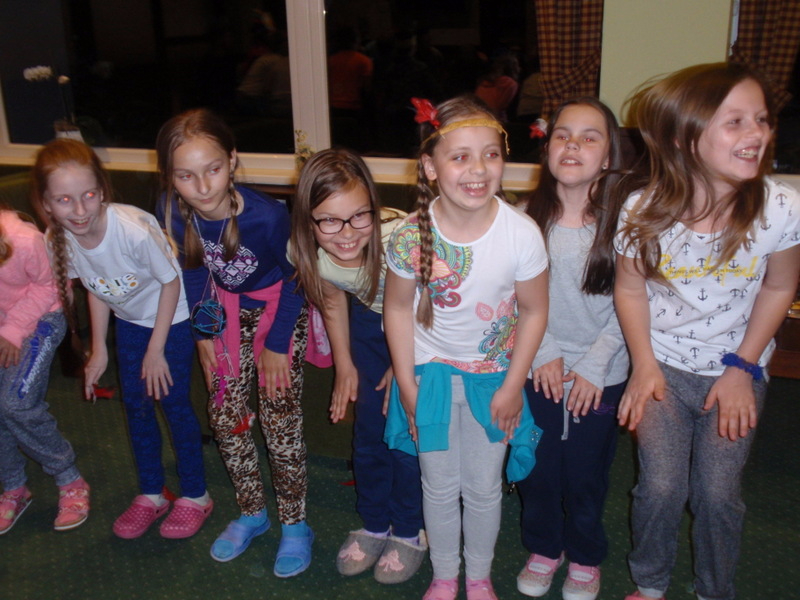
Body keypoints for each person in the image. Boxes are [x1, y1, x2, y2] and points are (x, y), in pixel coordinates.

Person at [614, 63, 800, 600]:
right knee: (661, 487)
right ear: (683, 137)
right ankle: (650, 583)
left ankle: (714, 590)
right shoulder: (643, 210)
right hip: (664, 369)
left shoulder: (780, 207)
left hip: (737, 368)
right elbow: (630, 290)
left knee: (718, 495)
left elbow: (779, 287)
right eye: (734, 121)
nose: (756, 133)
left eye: (761, 119)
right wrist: (643, 365)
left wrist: (743, 368)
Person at [383, 96, 549, 600]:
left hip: (493, 382)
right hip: (429, 379)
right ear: (431, 167)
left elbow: (534, 312)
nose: (478, 169)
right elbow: (397, 310)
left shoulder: (521, 234)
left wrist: (514, 387)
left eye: (490, 154)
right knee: (437, 485)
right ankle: (444, 575)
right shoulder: (409, 236)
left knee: (482, 487)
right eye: (460, 157)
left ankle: (477, 577)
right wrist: (406, 385)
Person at [156, 108, 313, 577]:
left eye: (213, 170)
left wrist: (277, 346)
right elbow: (194, 271)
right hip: (223, 312)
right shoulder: (173, 211)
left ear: (232, 160)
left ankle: (295, 523)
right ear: (170, 177)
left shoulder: (268, 217)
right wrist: (204, 333)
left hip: (279, 311)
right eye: (185, 176)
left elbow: (298, 280)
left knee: (279, 418)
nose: (202, 187)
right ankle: (252, 512)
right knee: (226, 416)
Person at [30, 139, 211, 540]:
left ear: (102, 191)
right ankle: (152, 492)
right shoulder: (56, 238)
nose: (80, 210)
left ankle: (196, 495)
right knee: (137, 406)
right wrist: (99, 351)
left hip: (172, 318)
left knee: (173, 403)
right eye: (64, 200)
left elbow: (170, 284)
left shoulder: (131, 231)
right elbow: (97, 289)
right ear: (46, 204)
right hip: (129, 321)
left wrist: (156, 350)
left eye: (89, 195)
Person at [289, 147, 426, 583]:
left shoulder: (402, 239)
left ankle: (409, 530)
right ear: (308, 220)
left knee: (408, 435)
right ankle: (375, 523)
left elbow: (441, 301)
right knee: (369, 433)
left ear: (374, 206)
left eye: (359, 216)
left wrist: (406, 359)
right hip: (369, 321)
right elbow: (332, 297)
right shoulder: (304, 250)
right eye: (329, 220)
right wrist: (344, 364)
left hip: (424, 326)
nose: (346, 234)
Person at [515, 98, 629, 600]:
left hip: (601, 371)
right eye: (563, 134)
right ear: (547, 148)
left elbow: (634, 306)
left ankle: (584, 555)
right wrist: (544, 352)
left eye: (589, 137)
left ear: (608, 156)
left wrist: (594, 366)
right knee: (537, 467)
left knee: (585, 474)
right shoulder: (522, 220)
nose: (573, 145)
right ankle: (544, 548)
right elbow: (513, 298)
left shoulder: (626, 224)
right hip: (537, 363)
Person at [0, 206, 89, 534]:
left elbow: (50, 287)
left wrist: (12, 330)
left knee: (16, 403)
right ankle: (14, 486)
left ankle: (69, 479)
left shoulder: (23, 240)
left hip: (41, 317)